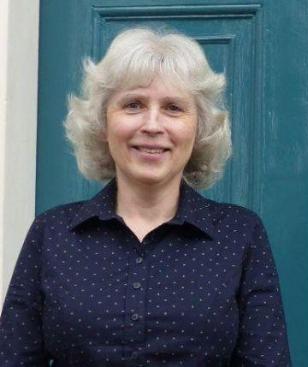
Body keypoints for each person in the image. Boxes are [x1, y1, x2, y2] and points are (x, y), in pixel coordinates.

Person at [0, 28, 291, 366]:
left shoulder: (240, 234)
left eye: (173, 108)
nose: (153, 125)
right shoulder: (52, 233)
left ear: (199, 129)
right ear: (102, 123)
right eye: (134, 104)